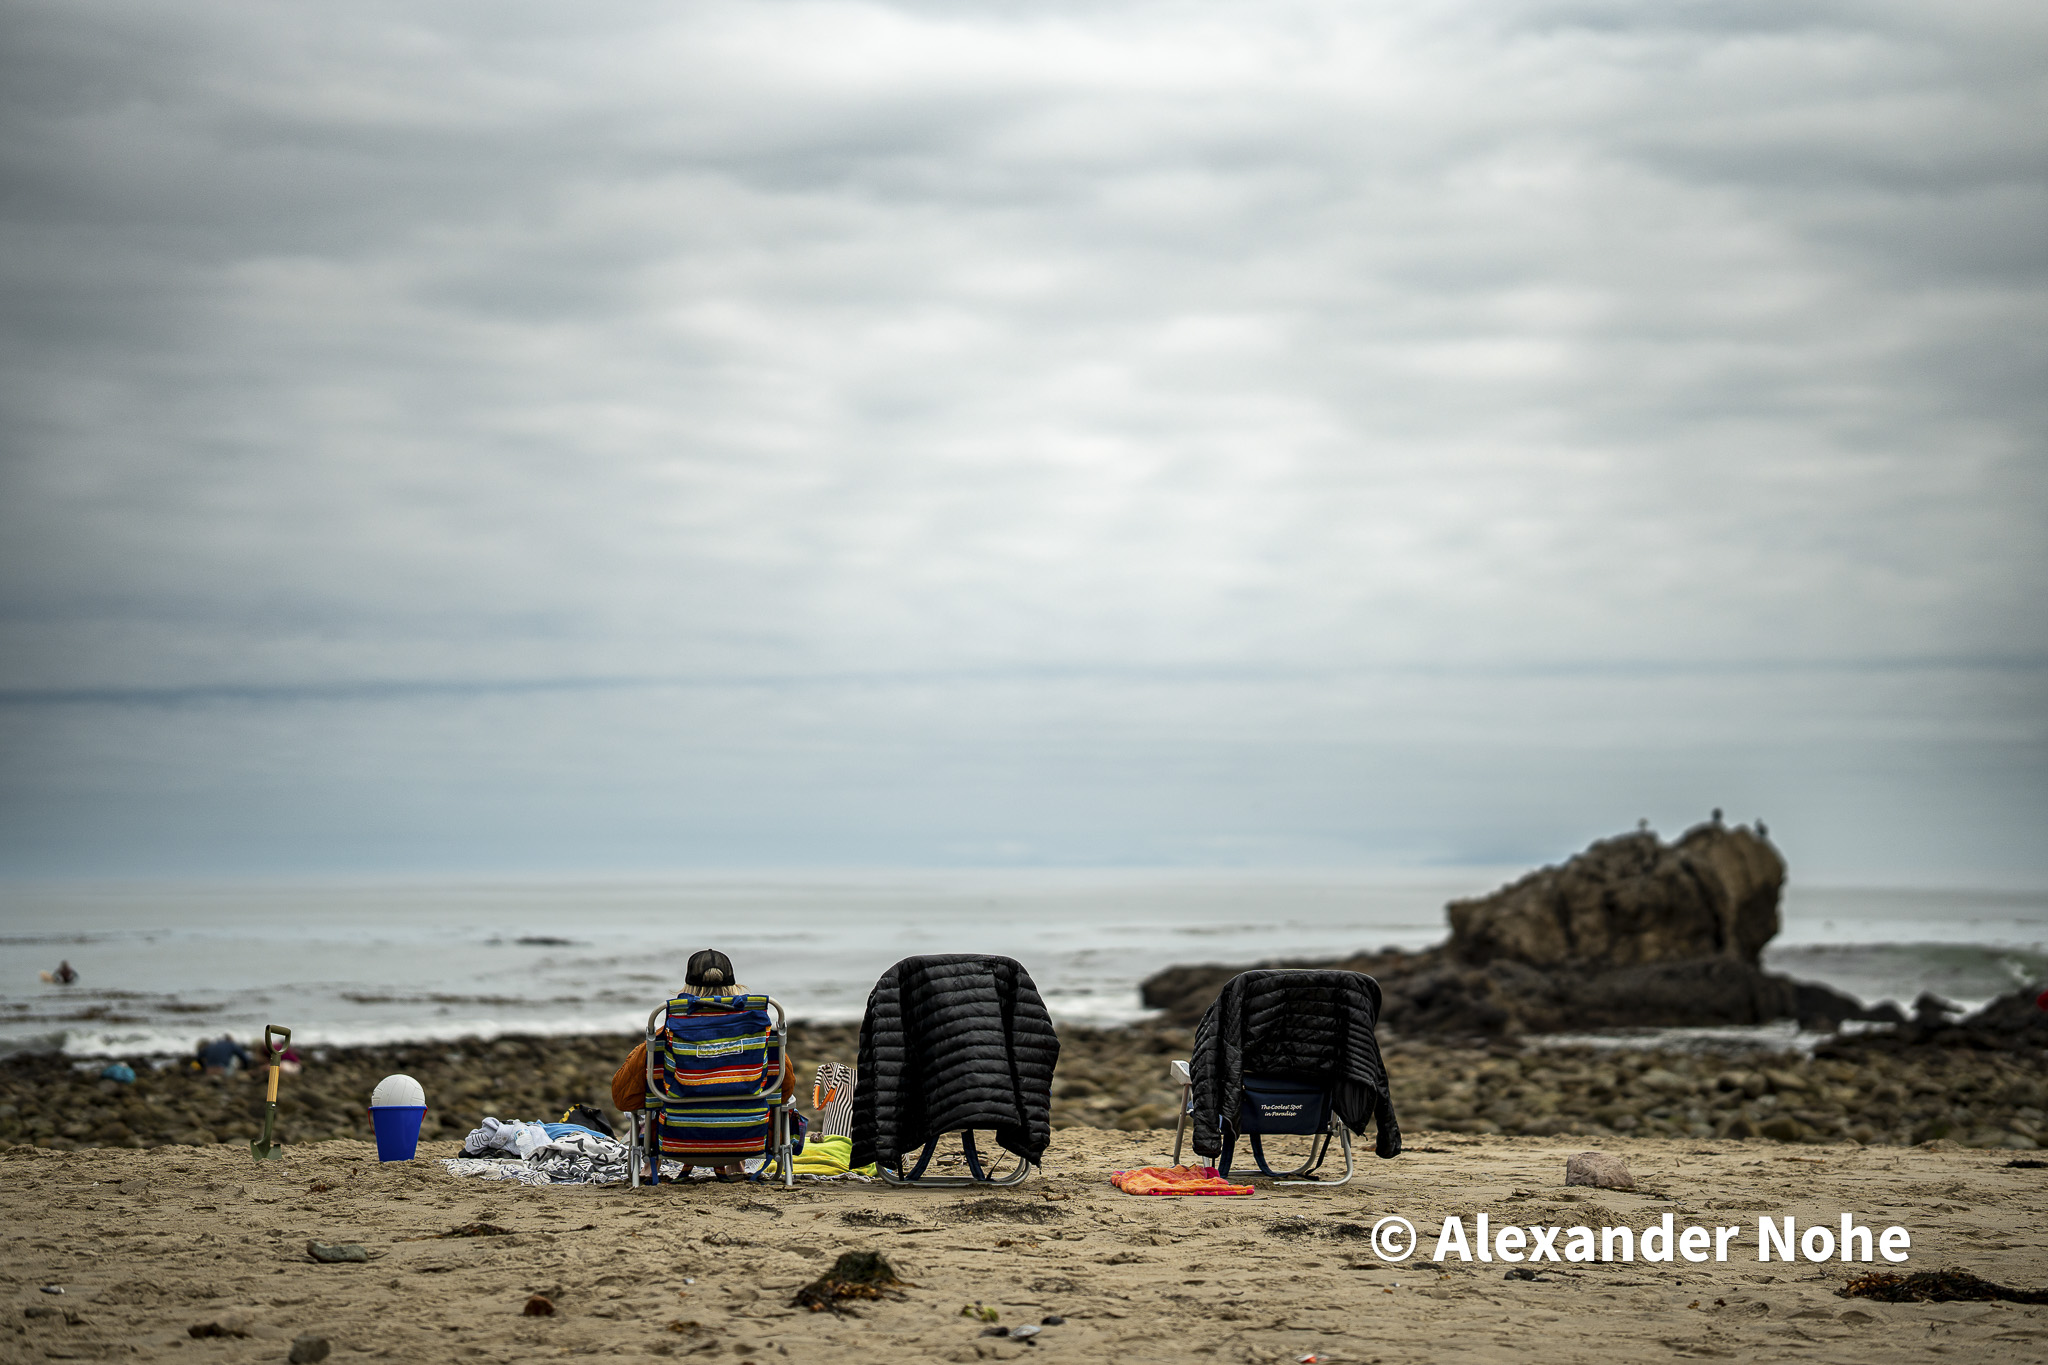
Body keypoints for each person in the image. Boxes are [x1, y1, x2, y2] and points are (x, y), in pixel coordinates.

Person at [612, 949, 796, 1178]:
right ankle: (736, 1163)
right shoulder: (762, 1039)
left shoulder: (666, 1038)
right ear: (734, 987)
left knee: (650, 1099)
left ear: (687, 987)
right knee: (776, 1099)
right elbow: (785, 1090)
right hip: (746, 1138)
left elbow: (623, 1098)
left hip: (679, 1141)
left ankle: (651, 1164)